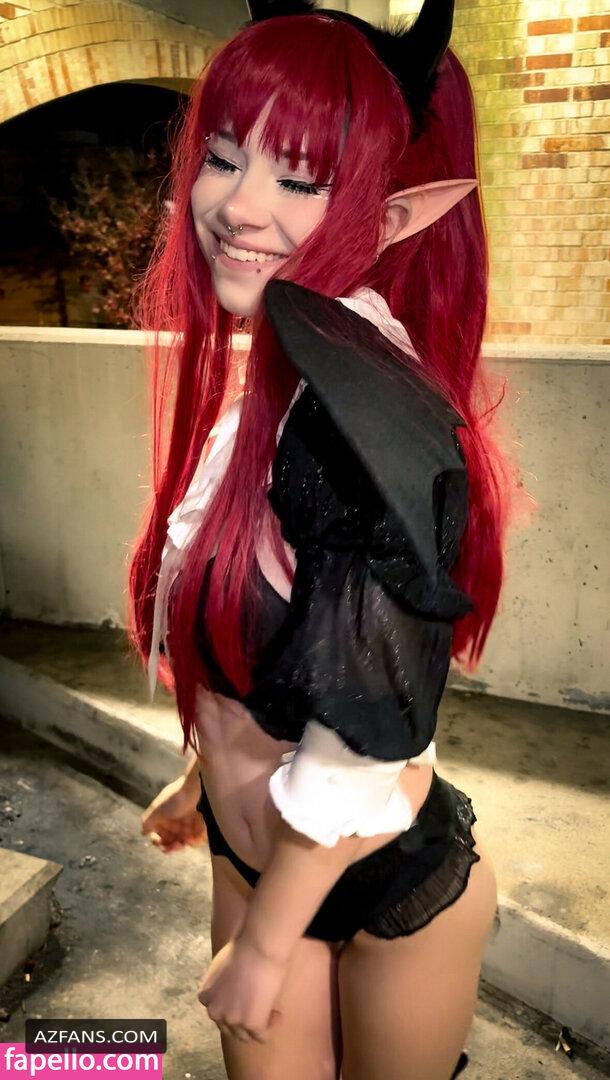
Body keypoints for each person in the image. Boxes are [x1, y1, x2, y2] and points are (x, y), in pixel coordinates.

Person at [131, 2, 518, 1077]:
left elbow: (364, 725)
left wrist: (265, 944)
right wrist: (205, 778)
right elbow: (261, 633)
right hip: (258, 855)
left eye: (300, 180)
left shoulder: (358, 412)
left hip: (375, 875)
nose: (238, 205)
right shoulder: (282, 370)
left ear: (394, 217)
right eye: (222, 157)